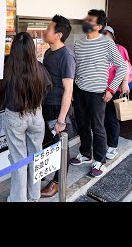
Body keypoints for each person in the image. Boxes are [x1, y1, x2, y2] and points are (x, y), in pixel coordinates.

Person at [0, 32, 51, 202]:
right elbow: (48, 88)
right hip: (36, 114)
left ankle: (18, 199)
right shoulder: (39, 68)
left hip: (15, 116)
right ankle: (34, 196)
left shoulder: (7, 69)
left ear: (13, 50)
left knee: (19, 159)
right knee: (36, 155)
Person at [69, 9, 127, 177]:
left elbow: (122, 66)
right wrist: (73, 89)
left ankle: (100, 161)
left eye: (90, 20)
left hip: (98, 93)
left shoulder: (107, 44)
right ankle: (86, 154)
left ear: (99, 26)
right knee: (82, 124)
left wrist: (111, 89)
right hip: (80, 90)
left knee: (98, 126)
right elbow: (76, 68)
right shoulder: (79, 43)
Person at [39, 15, 76, 198]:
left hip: (57, 107)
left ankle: (57, 182)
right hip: (46, 105)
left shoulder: (66, 56)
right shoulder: (48, 52)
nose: (45, 31)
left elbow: (68, 90)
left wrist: (61, 119)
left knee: (60, 146)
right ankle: (50, 173)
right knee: (49, 144)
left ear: (58, 35)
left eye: (49, 28)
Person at [101, 26, 132, 160]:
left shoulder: (120, 49)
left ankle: (112, 146)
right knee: (101, 119)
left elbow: (124, 67)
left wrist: (125, 82)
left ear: (112, 36)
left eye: (107, 35)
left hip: (115, 89)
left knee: (112, 118)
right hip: (100, 89)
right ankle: (103, 143)